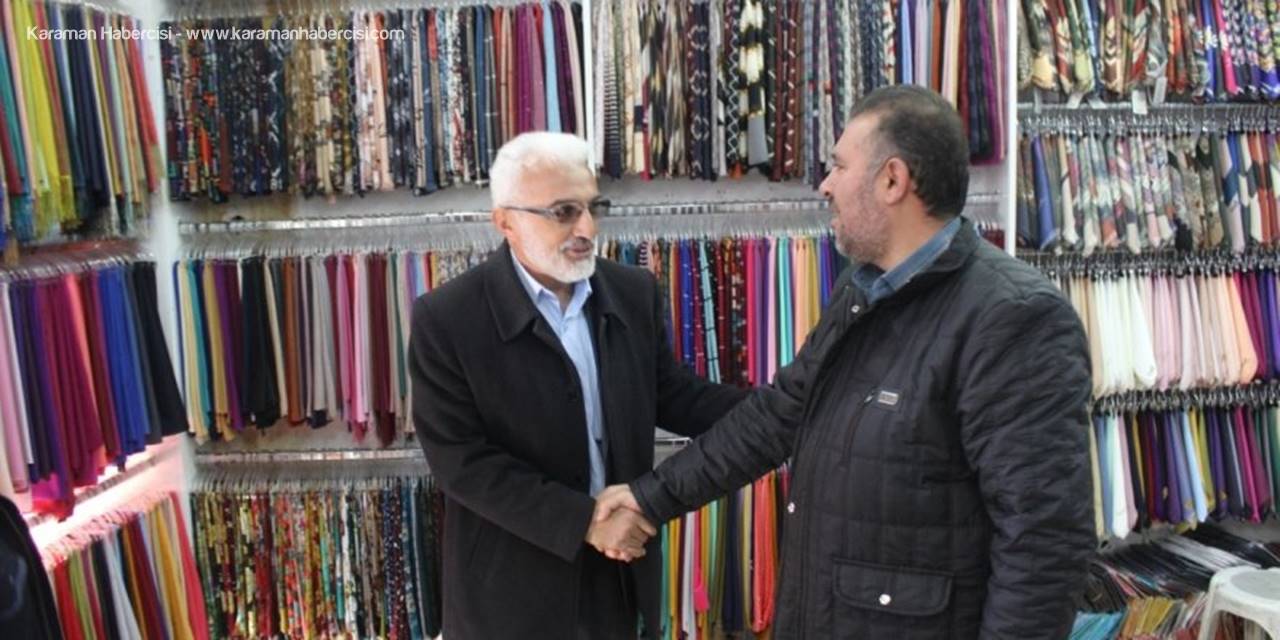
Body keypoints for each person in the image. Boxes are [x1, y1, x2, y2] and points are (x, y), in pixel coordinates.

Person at [595, 85, 1095, 638]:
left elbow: (1043, 544)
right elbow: (779, 414)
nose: (825, 185)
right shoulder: (864, 289)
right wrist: (652, 498)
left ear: (892, 180)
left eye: (838, 166)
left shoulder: (1013, 318)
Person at [408, 131, 747, 640]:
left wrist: (783, 409)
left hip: (617, 573)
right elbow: (462, 463)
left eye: (593, 207)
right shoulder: (448, 318)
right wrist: (585, 520)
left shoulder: (632, 292)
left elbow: (672, 395)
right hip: (511, 589)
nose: (586, 227)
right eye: (563, 212)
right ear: (506, 222)